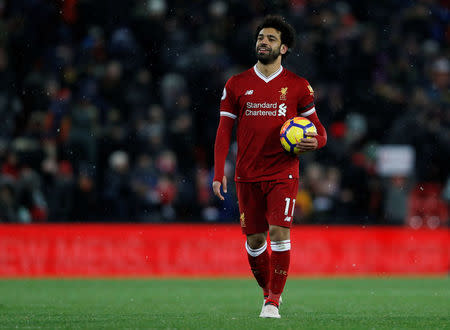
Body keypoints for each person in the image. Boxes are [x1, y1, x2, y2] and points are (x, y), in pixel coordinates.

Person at [212, 15, 327, 319]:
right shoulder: (236, 84)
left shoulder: (298, 87)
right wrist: (217, 171)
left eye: (271, 38)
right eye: (261, 37)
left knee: (278, 232)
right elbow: (224, 131)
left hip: (282, 172)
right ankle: (268, 293)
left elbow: (321, 133)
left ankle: (273, 301)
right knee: (255, 241)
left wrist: (314, 143)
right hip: (246, 173)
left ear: (284, 48)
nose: (263, 42)